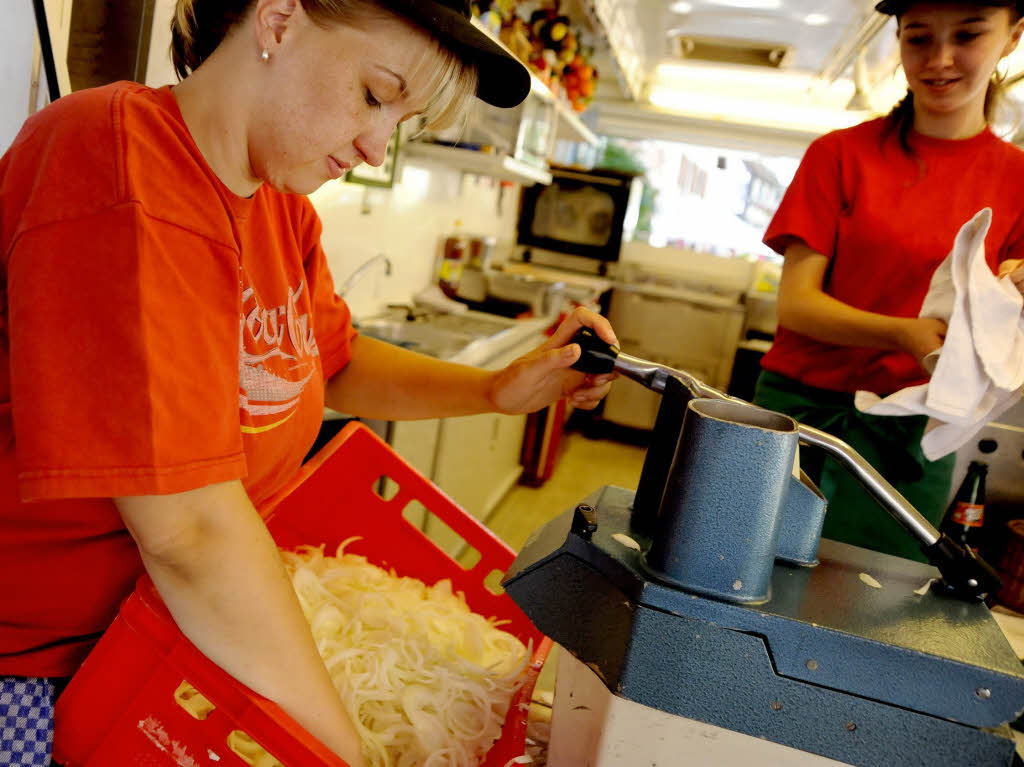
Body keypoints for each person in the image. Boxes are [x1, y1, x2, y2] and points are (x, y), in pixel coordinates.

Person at [0, 1, 619, 764]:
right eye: (373, 94)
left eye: (402, 120)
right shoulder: (118, 157)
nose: (372, 145)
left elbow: (334, 358)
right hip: (40, 669)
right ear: (280, 18)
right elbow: (188, 529)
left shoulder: (279, 205)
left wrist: (494, 389)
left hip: (179, 646)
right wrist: (345, 753)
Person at [754, 0, 1024, 564]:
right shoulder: (840, 155)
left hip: (913, 434)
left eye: (969, 34)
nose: (940, 60)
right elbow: (797, 305)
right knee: (743, 582)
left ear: (1011, 38)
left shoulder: (1017, 182)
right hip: (798, 418)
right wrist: (904, 334)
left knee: (872, 607)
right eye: (918, 39)